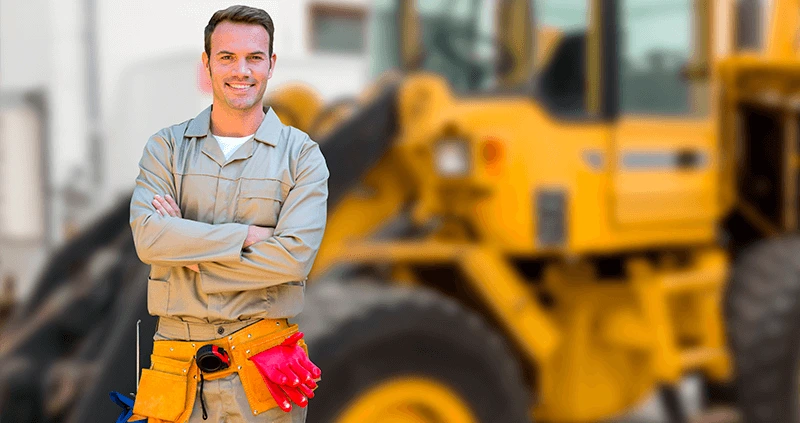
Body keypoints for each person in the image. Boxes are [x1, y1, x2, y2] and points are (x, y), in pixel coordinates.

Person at [129, 5, 328, 423]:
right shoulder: (165, 149)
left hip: (263, 368)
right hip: (175, 369)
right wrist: (246, 237)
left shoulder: (302, 156)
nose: (242, 70)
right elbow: (149, 238)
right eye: (227, 57)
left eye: (254, 57)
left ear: (271, 65)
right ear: (207, 65)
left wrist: (192, 255)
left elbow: (294, 258)